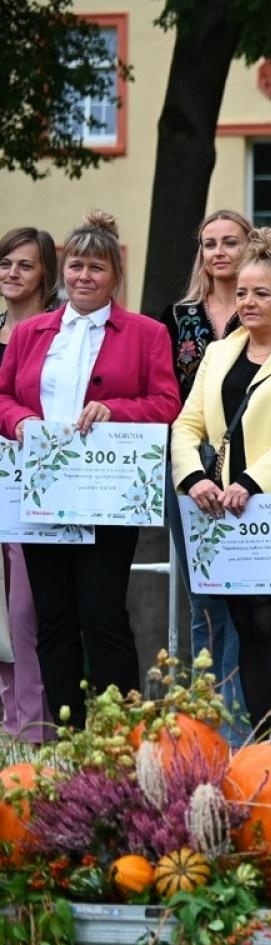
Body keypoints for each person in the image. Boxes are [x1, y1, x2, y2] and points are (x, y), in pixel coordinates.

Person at [0, 211, 181, 730]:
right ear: (62, 272)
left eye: (96, 268)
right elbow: (4, 396)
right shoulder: (31, 332)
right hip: (42, 489)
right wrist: (23, 422)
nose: (84, 277)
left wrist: (115, 409)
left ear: (114, 276)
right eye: (75, 266)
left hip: (107, 491)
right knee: (52, 619)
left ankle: (116, 732)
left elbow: (167, 401)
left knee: (101, 613)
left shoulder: (146, 334)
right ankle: (64, 733)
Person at [171, 229, 271, 731]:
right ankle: (264, 738)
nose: (247, 302)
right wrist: (194, 477)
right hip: (221, 510)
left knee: (269, 622)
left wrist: (252, 480)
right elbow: (187, 425)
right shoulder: (218, 354)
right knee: (242, 623)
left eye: (261, 293)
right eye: (241, 292)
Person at [160, 208, 251, 723]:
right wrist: (190, 467)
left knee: (248, 597)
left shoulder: (267, 312)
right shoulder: (176, 318)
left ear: (249, 247)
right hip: (190, 467)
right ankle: (206, 714)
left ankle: (243, 715)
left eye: (230, 242)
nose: (219, 252)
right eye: (210, 243)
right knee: (204, 597)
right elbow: (169, 397)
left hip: (251, 470)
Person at [0, 227, 56, 743]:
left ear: (45, 274)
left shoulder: (57, 338)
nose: (12, 274)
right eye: (6, 264)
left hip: (31, 488)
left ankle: (32, 729)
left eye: (25, 265)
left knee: (25, 610)